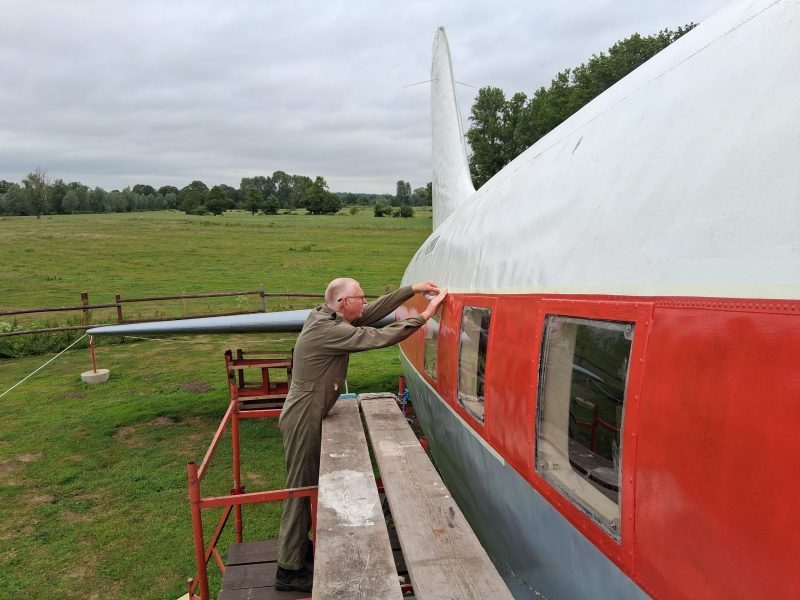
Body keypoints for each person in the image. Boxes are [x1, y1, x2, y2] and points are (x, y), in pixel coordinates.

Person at [274, 277, 446, 592]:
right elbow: (378, 337)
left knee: (307, 486)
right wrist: (424, 316)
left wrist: (411, 291)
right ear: (343, 303)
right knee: (301, 489)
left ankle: (300, 550)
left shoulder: (329, 315)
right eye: (360, 298)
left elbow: (373, 312)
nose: (365, 302)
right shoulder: (331, 330)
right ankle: (289, 569)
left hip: (310, 410)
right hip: (304, 416)